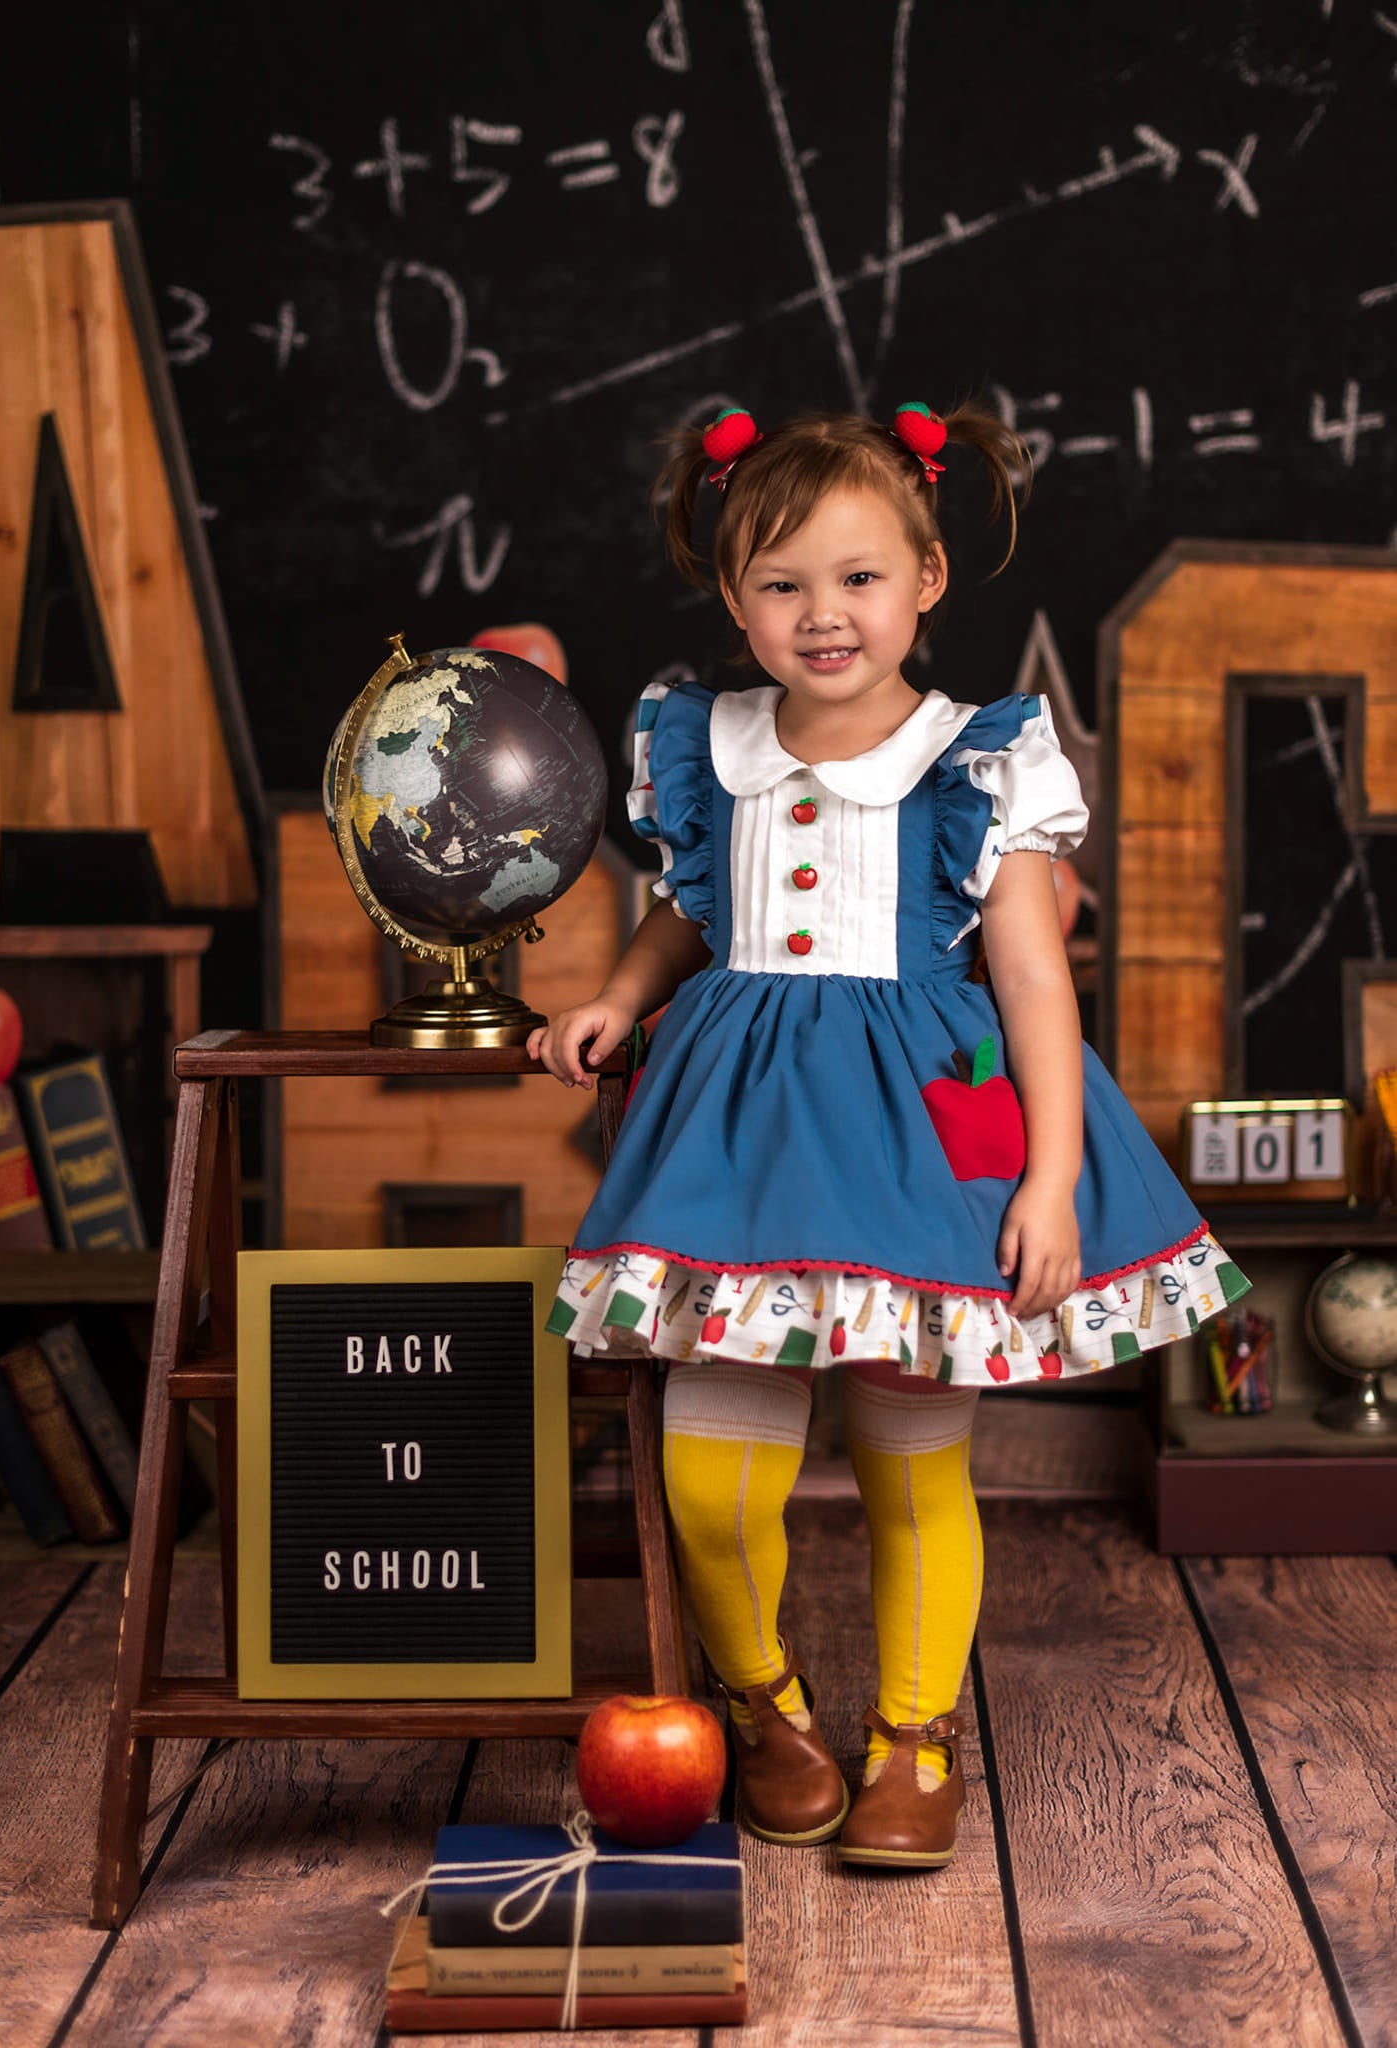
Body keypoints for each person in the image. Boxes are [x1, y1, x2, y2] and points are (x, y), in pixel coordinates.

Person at [529, 402, 1251, 1871]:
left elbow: (1035, 977)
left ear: (926, 575)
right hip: (736, 1142)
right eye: (782, 583)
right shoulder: (704, 741)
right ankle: (763, 1704)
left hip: (922, 1136)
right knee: (709, 1478)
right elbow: (693, 903)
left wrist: (1051, 1175)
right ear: (733, 599)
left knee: (912, 1460)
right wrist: (617, 993)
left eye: (859, 578)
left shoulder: (977, 758)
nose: (822, 615)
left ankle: (915, 1735)